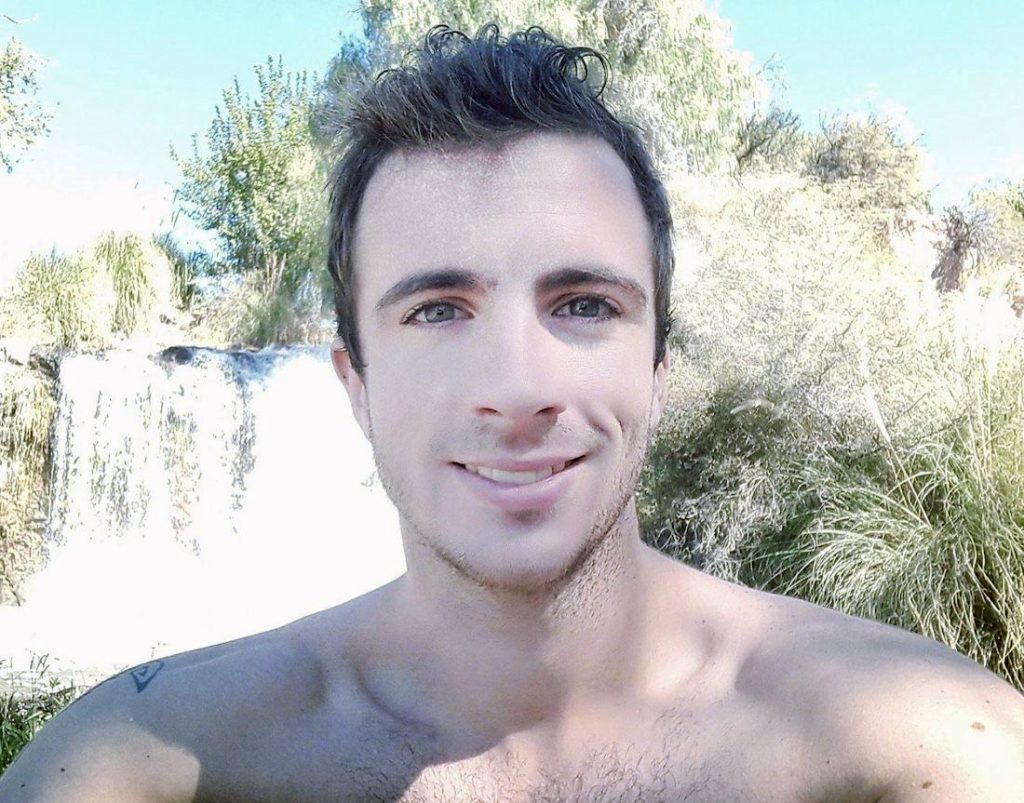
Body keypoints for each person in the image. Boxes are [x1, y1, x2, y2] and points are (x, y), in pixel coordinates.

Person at [3, 24, 1023, 803]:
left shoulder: (919, 743)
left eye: (583, 304)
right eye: (438, 310)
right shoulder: (146, 760)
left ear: (657, 369)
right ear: (354, 383)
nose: (519, 385)